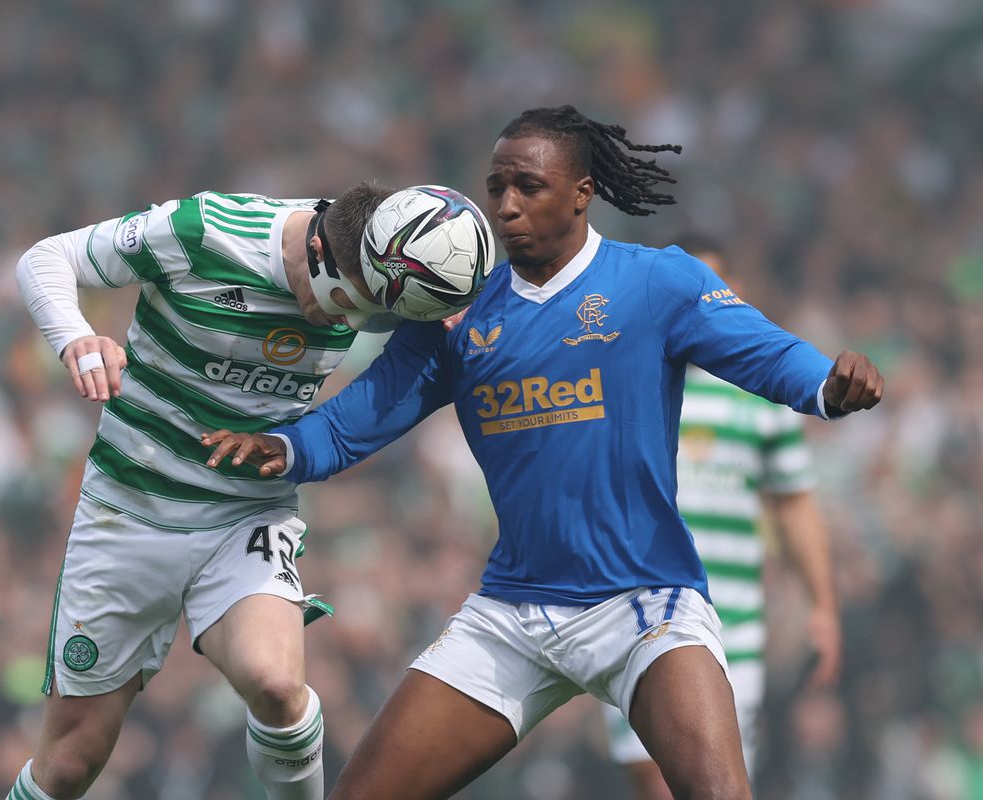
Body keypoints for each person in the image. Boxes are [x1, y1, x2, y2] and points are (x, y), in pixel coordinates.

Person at [203, 105, 883, 800]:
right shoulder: (456, 313)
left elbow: (766, 353)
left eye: (528, 186)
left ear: (582, 193)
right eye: (496, 187)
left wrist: (828, 385)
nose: (506, 206)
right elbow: (362, 415)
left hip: (642, 603)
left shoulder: (656, 282)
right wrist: (284, 446)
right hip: (513, 612)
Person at [6, 181, 403, 800]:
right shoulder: (206, 231)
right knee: (67, 767)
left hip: (245, 512)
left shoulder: (387, 270)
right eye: (342, 303)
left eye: (364, 314)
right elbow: (47, 257)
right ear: (318, 251)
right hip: (130, 510)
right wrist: (74, 336)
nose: (345, 324)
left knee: (277, 686)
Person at [600, 233, 842, 800]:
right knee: (653, 779)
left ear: (731, 292)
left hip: (731, 625)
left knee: (712, 784)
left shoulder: (761, 396)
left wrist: (822, 605)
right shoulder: (623, 379)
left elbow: (793, 502)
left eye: (706, 285)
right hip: (634, 614)